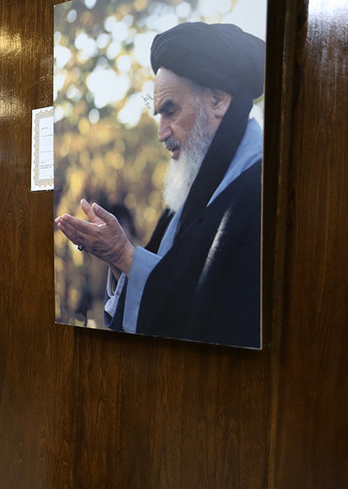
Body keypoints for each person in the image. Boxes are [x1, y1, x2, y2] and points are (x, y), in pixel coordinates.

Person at [55, 22, 264, 348]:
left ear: (219, 100)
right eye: (158, 115)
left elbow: (221, 317)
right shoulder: (191, 190)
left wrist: (124, 254)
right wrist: (117, 259)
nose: (161, 132)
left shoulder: (262, 189)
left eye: (170, 111)